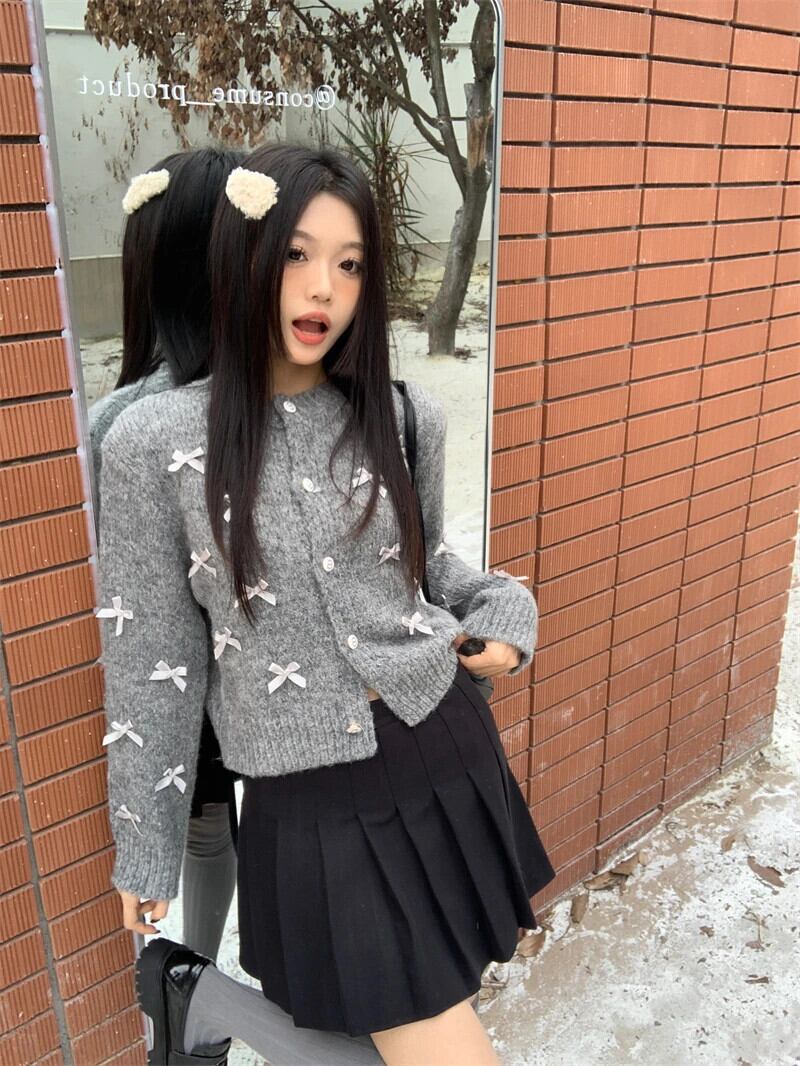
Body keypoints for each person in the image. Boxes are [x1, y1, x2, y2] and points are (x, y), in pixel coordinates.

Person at [96, 143, 556, 1066]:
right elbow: (153, 667)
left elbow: (427, 570)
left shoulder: (402, 414)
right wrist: (144, 845)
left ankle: (204, 1006)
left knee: (404, 1032)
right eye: (298, 255)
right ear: (246, 256)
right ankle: (203, 1005)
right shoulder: (153, 443)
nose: (323, 289)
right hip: (307, 799)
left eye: (349, 265)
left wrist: (507, 613)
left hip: (438, 743)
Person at [91, 148, 243, 964]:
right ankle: (205, 981)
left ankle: (193, 991)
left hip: (181, 684)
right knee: (229, 830)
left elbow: (131, 601)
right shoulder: (294, 393)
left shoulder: (123, 423)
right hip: (278, 684)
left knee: (206, 826)